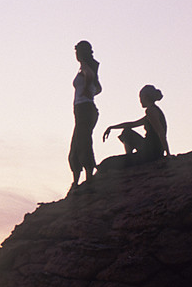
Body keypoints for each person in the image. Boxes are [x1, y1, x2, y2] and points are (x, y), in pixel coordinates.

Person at [102, 84, 169, 162]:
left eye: (141, 97)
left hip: (151, 151)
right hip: (153, 150)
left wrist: (168, 153)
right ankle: (129, 157)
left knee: (109, 162)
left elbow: (160, 132)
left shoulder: (151, 111)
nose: (140, 100)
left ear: (146, 97)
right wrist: (112, 127)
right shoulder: (152, 111)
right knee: (127, 130)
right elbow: (132, 124)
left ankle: (129, 157)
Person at [68, 41, 102, 188]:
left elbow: (90, 76)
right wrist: (91, 90)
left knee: (83, 143)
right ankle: (76, 181)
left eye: (77, 51)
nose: (75, 54)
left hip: (85, 109)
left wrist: (88, 87)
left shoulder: (86, 67)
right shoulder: (85, 67)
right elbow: (99, 88)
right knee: (76, 146)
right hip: (82, 110)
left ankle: (88, 179)